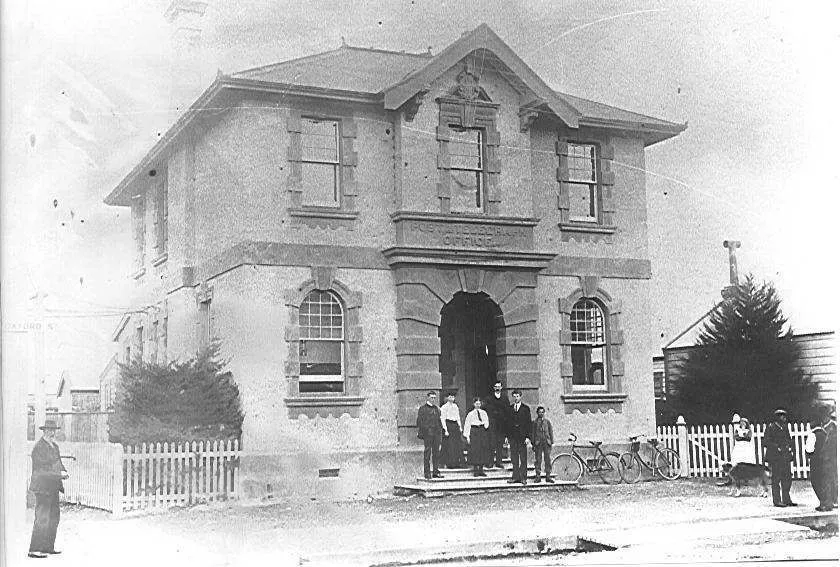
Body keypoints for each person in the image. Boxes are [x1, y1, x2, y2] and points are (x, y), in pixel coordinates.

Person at [28, 418, 68, 559]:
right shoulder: (38, 448)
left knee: (54, 517)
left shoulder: (54, 446)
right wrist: (59, 474)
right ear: (44, 431)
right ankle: (35, 549)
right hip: (42, 487)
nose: (52, 433)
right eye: (49, 430)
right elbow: (42, 470)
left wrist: (63, 471)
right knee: (42, 518)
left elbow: (58, 463)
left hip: (53, 487)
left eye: (53, 430)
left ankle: (48, 547)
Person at [806, 405, 837, 511]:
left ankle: (824, 503)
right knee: (825, 481)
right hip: (826, 460)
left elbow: (809, 450)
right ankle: (828, 502)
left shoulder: (813, 434)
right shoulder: (824, 433)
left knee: (816, 481)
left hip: (816, 460)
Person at [763, 408, 796, 507]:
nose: (784, 418)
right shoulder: (771, 427)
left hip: (785, 456)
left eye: (784, 416)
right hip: (776, 457)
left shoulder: (785, 427)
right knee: (776, 479)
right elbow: (766, 442)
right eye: (782, 416)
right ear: (777, 417)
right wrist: (776, 447)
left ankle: (786, 499)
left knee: (787, 478)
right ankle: (777, 500)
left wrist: (789, 446)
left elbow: (789, 439)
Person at [416, 391, 443, 479]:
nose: (433, 399)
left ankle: (436, 471)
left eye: (434, 398)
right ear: (428, 398)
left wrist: (440, 431)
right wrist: (426, 430)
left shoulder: (437, 409)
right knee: (427, 453)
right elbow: (419, 422)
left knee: (436, 453)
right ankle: (427, 473)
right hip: (428, 434)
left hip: (436, 434)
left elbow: (439, 421)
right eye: (431, 398)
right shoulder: (422, 409)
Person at [483, 381, 509, 469]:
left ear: (501, 388)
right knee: (491, 443)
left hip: (501, 424)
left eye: (499, 386)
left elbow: (507, 410)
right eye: (496, 386)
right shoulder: (489, 398)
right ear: (494, 388)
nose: (498, 388)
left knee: (500, 443)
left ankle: (499, 461)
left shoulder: (505, 398)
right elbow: (487, 409)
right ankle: (490, 462)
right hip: (492, 423)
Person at [507, 390, 531, 485]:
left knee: (523, 458)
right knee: (514, 458)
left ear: (520, 397)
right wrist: (507, 436)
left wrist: (527, 437)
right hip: (513, 437)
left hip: (522, 437)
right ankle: (515, 477)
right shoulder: (510, 408)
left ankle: (523, 477)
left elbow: (528, 423)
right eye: (514, 396)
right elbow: (507, 423)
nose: (516, 398)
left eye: (517, 396)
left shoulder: (526, 409)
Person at [463, 397, 490, 477]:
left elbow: (486, 422)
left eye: (479, 404)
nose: (478, 405)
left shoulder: (484, 413)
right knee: (475, 450)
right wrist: (467, 436)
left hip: (481, 431)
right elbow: (467, 425)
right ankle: (475, 470)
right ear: (474, 404)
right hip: (474, 431)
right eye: (476, 404)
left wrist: (484, 426)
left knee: (482, 449)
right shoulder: (470, 414)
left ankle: (481, 469)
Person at [439, 391, 465, 468]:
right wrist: (445, 430)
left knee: (456, 444)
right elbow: (442, 419)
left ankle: (456, 462)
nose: (452, 398)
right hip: (448, 425)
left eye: (453, 397)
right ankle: (449, 463)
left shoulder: (455, 406)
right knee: (449, 445)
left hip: (455, 426)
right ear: (447, 398)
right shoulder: (444, 407)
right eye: (450, 397)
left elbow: (458, 417)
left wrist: (460, 427)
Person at [531, 406, 555, 483]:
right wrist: (533, 443)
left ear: (544, 413)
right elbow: (533, 433)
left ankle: (548, 476)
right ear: (537, 413)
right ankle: (538, 476)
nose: (541, 414)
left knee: (547, 460)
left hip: (546, 442)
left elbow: (550, 432)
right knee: (538, 460)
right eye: (539, 412)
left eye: (542, 412)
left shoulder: (547, 422)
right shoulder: (535, 422)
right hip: (538, 443)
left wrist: (551, 442)